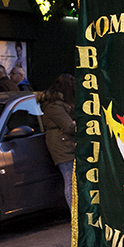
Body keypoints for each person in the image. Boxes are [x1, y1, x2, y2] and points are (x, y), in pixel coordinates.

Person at [36, 74, 76, 209]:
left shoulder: (55, 103)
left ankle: (76, 212)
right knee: (69, 180)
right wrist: (78, 123)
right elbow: (69, 126)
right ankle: (74, 213)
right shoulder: (54, 105)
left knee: (71, 180)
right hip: (62, 145)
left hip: (64, 142)